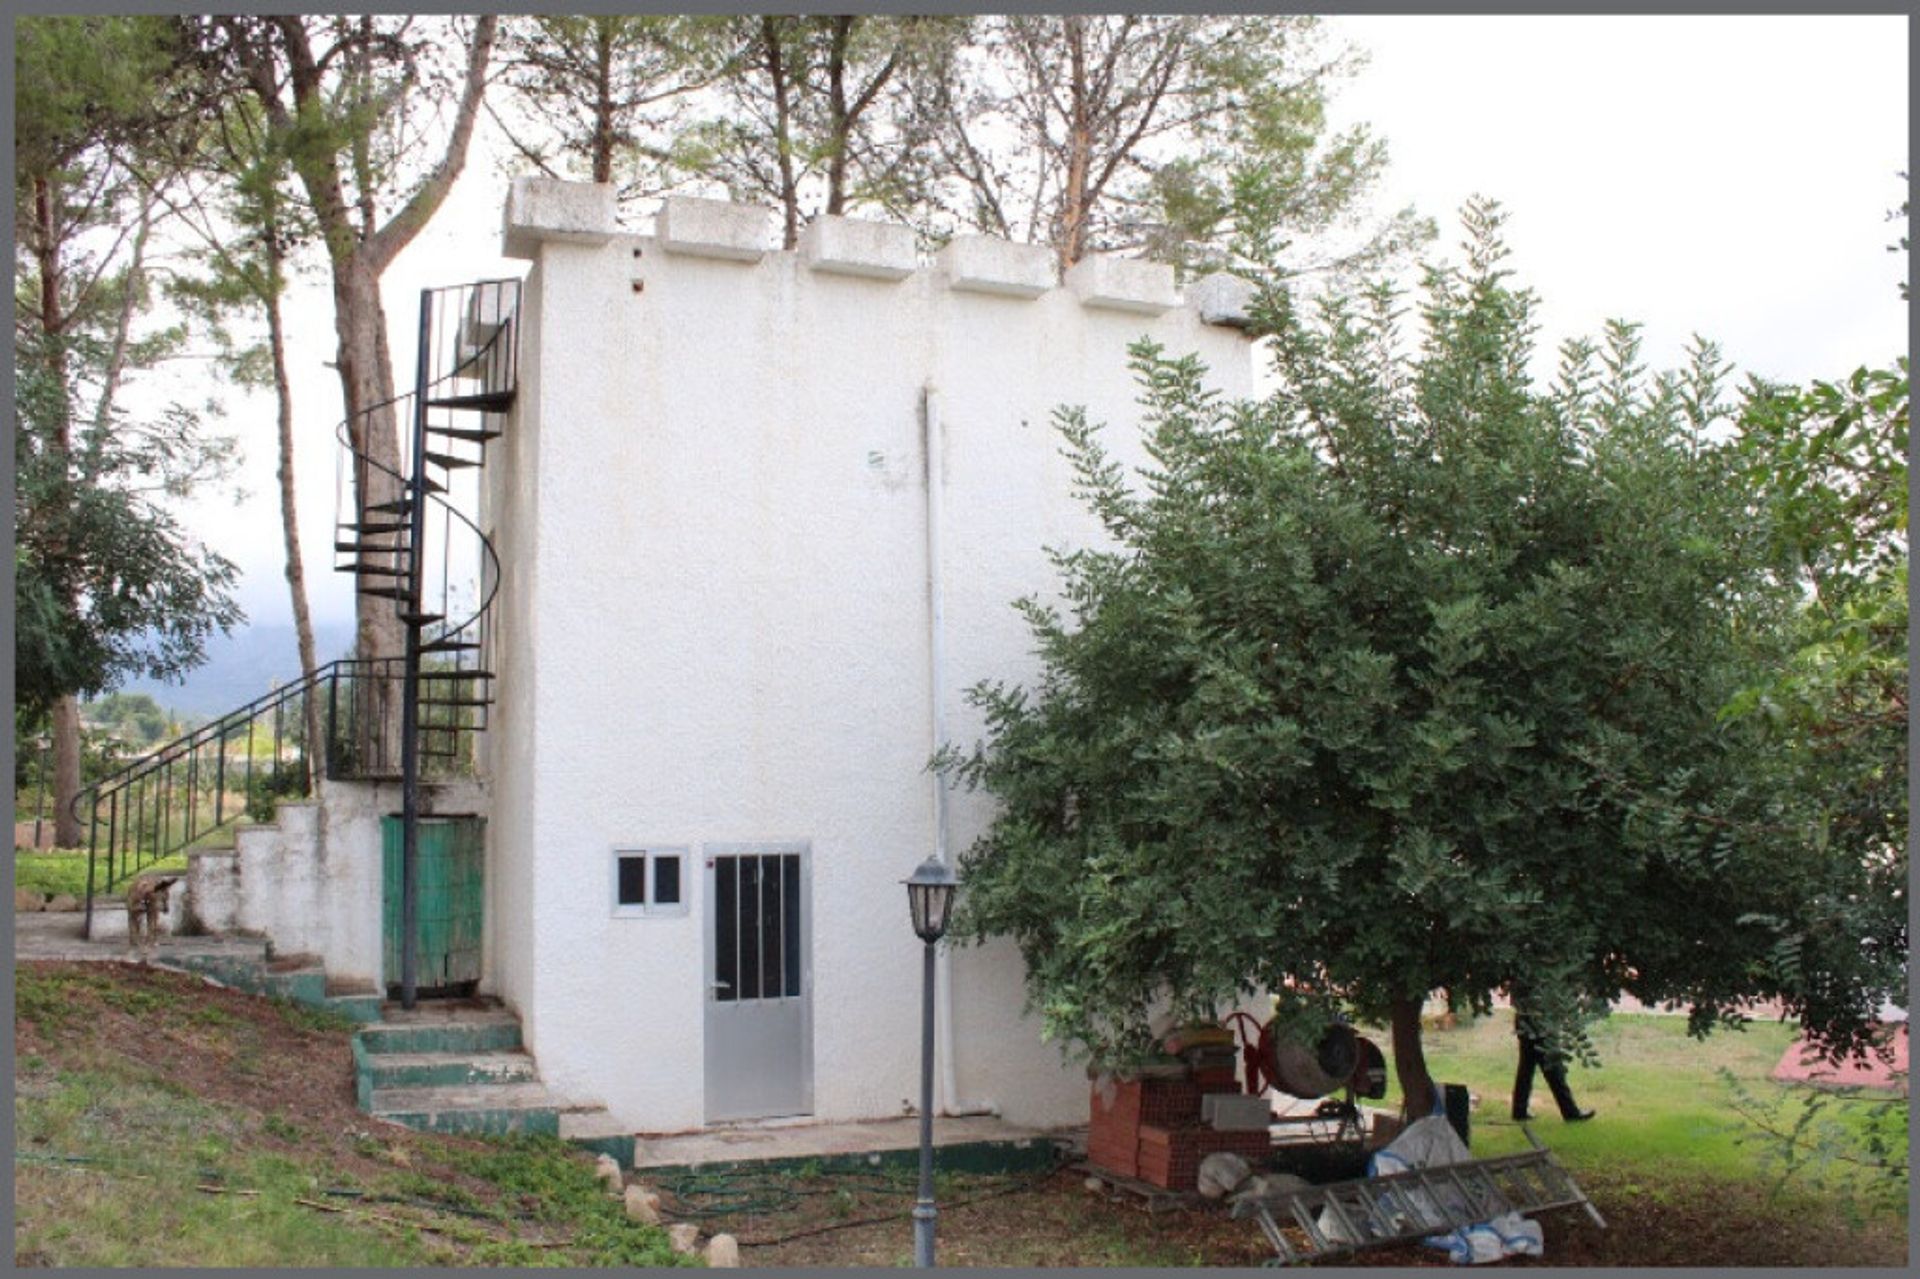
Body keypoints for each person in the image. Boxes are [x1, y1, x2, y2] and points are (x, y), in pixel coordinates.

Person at [1511, 1009, 1595, 1122]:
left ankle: (1519, 1110)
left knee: (1527, 1066)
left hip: (1525, 1019)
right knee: (1553, 1068)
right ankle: (1570, 1112)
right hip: (1539, 1021)